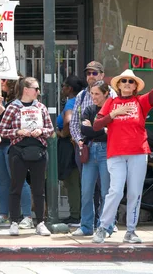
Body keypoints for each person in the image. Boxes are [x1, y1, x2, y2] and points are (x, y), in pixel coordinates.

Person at [92, 57, 153, 244]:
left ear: (135, 86)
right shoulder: (111, 103)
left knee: (135, 192)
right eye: (124, 81)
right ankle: (103, 227)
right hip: (116, 153)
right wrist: (114, 114)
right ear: (119, 85)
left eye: (131, 81)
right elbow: (97, 125)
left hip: (138, 152)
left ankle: (131, 230)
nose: (127, 83)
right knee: (115, 191)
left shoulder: (141, 101)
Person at [0, 77, 54, 237]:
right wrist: (17, 132)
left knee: (38, 188)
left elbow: (50, 129)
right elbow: (2, 130)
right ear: (26, 90)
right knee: (16, 186)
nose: (38, 91)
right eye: (35, 88)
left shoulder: (41, 107)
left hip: (38, 150)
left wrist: (41, 131)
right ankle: (14, 222)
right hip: (18, 150)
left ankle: (40, 222)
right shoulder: (13, 108)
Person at [0, 78, 34, 229]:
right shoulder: (2, 100)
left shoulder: (20, 103)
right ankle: (3, 214)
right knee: (3, 180)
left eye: (4, 80)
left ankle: (27, 215)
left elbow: (22, 123)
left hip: (12, 145)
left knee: (19, 180)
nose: (1, 83)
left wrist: (4, 111)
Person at [72, 81, 111, 236]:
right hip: (91, 150)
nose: (94, 97)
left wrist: (94, 127)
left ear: (106, 93)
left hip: (107, 151)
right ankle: (86, 226)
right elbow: (85, 130)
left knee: (106, 192)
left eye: (97, 94)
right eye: (92, 94)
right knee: (87, 191)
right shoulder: (89, 109)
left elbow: (95, 130)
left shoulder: (112, 109)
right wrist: (103, 129)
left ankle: (106, 226)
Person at [69, 61, 116, 169]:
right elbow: (75, 122)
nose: (91, 76)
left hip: (105, 145)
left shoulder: (111, 94)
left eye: (94, 73)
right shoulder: (82, 95)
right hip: (85, 145)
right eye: (88, 73)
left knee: (104, 183)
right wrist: (79, 140)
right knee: (86, 182)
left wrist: (94, 129)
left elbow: (111, 124)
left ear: (102, 75)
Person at [56, 75, 86, 225]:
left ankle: (75, 215)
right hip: (77, 143)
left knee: (71, 180)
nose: (62, 88)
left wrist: (63, 133)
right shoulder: (81, 101)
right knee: (76, 180)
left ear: (70, 89)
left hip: (68, 144)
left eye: (64, 86)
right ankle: (78, 213)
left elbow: (68, 120)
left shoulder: (71, 103)